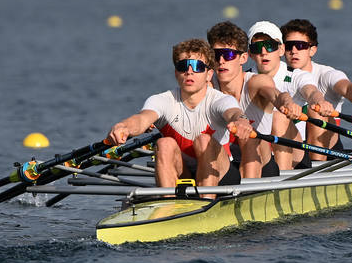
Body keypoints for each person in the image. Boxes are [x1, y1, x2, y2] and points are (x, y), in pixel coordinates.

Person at [106, 39, 253, 191]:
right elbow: (142, 119)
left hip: (221, 176)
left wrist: (241, 121)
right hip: (184, 174)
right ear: (176, 73)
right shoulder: (162, 100)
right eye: (183, 66)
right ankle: (168, 200)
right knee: (164, 144)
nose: (189, 71)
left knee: (203, 140)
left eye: (197, 66)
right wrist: (123, 126)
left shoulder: (220, 100)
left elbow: (234, 113)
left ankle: (205, 198)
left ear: (209, 74)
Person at [206, 21, 300, 178]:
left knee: (250, 136)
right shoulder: (207, 86)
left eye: (228, 55)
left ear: (243, 58)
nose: (221, 61)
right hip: (226, 163)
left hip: (262, 164)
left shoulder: (256, 82)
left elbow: (276, 95)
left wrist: (287, 103)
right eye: (216, 55)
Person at [279, 18, 352, 159]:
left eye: (300, 46)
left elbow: (348, 89)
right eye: (289, 46)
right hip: (294, 146)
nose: (294, 51)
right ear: (282, 49)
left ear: (312, 50)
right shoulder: (278, 75)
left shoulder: (326, 74)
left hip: (328, 149)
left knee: (316, 111)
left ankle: (317, 165)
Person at [246, 20, 336, 169]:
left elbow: (311, 92)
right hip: (259, 149)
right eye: (257, 48)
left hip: (295, 153)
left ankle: (307, 169)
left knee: (279, 117)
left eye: (270, 46)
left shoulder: (296, 76)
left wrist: (320, 102)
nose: (264, 52)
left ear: (281, 50)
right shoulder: (245, 78)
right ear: (250, 54)